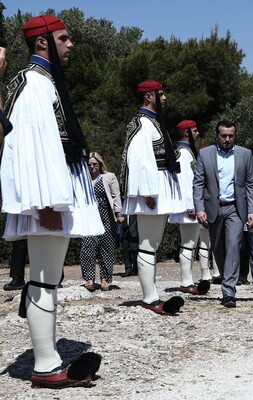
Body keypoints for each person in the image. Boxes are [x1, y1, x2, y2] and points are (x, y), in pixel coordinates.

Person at [0, 15, 103, 388]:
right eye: (64, 37)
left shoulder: (44, 81)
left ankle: (47, 357)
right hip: (45, 197)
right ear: (43, 42)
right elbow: (28, 149)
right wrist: (46, 203)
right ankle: (45, 364)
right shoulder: (33, 83)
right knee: (44, 279)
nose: (71, 44)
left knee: (48, 277)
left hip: (52, 194)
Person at [120, 79, 186, 315]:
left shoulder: (153, 123)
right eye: (160, 93)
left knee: (152, 244)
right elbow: (138, 160)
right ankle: (150, 297)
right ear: (149, 96)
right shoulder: (141, 123)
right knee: (147, 246)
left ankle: (152, 293)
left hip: (158, 188)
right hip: (150, 191)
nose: (164, 97)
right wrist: (147, 193)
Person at [193, 120, 253, 308]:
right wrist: (199, 208)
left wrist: (251, 210)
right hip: (213, 208)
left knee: (234, 245)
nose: (227, 139)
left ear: (235, 136)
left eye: (231, 136)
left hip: (236, 209)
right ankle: (225, 276)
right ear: (217, 136)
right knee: (218, 248)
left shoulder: (245, 154)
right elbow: (198, 183)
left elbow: (250, 184)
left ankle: (229, 291)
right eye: (224, 135)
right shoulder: (205, 154)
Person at [168, 120, 211, 295]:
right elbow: (186, 182)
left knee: (189, 244)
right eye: (194, 130)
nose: (197, 133)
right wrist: (191, 206)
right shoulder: (184, 154)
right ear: (187, 133)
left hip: (188, 205)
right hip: (188, 205)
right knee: (188, 244)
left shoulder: (184, 152)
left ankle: (188, 280)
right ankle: (186, 281)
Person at [80, 152, 123, 292]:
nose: (92, 167)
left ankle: (105, 279)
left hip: (106, 215)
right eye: (89, 165)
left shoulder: (108, 177)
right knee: (88, 246)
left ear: (100, 164)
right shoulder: (83, 179)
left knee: (107, 247)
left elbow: (116, 195)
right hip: (90, 216)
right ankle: (89, 279)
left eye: (95, 164)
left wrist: (119, 213)